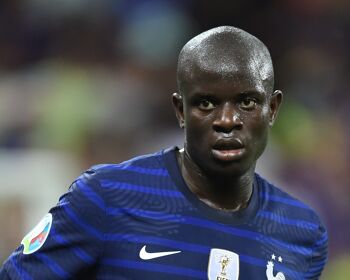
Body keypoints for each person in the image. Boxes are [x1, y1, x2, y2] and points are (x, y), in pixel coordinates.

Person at [0, 26, 328, 280]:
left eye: (246, 102)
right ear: (180, 110)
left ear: (272, 109)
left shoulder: (302, 232)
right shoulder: (106, 198)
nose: (227, 121)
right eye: (206, 103)